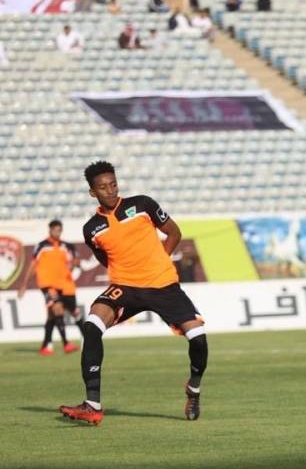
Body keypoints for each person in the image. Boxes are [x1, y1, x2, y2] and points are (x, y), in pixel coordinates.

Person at [59, 161, 208, 426]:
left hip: (163, 285)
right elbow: (105, 259)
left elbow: (174, 232)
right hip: (126, 288)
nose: (110, 190)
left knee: (198, 339)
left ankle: (193, 389)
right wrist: (129, 271)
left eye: (113, 184)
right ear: (92, 192)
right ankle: (92, 405)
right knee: (91, 326)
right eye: (103, 187)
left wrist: (159, 261)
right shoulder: (91, 229)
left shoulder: (142, 204)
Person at [17, 220, 85, 356]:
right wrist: (24, 284)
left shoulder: (67, 246)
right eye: (55, 230)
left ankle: (46, 345)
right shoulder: (42, 246)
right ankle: (66, 344)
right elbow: (33, 265)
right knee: (57, 309)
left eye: (59, 230)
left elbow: (76, 261)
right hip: (47, 285)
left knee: (57, 314)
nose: (57, 233)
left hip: (65, 285)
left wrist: (74, 264)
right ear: (50, 230)